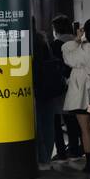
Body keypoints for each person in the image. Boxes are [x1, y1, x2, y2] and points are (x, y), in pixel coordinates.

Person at [62, 18, 90, 173]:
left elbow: (68, 57)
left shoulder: (86, 47)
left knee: (85, 128)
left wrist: (76, 40)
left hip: (83, 94)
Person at [32, 24, 67, 170]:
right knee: (49, 124)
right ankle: (46, 159)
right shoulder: (45, 45)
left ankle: (41, 158)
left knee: (38, 126)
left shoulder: (28, 46)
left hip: (36, 90)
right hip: (50, 91)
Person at [49, 15, 82, 161]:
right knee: (74, 119)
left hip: (61, 86)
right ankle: (75, 148)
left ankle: (61, 151)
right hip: (78, 84)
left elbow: (54, 67)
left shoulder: (56, 45)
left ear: (56, 30)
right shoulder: (78, 42)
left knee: (57, 118)